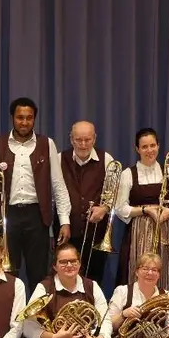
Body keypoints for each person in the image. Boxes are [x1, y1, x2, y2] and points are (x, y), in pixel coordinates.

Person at [0, 97, 72, 291]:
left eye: (29, 118)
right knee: (6, 273)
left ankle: (38, 320)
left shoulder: (47, 144)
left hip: (37, 216)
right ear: (12, 118)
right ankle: (9, 317)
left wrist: (64, 220)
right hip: (6, 217)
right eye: (20, 117)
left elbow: (58, 184)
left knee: (38, 273)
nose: (24, 122)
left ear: (34, 119)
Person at [113, 128, 169, 289]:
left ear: (158, 146)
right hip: (139, 232)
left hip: (166, 229)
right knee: (140, 268)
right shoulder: (128, 174)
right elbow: (120, 208)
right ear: (137, 149)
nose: (149, 150)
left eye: (152, 145)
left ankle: (165, 309)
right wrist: (146, 210)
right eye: (144, 147)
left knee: (167, 272)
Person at [60, 121, 113, 287]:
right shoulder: (58, 159)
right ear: (71, 139)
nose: (83, 144)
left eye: (87, 140)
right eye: (78, 140)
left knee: (94, 280)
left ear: (94, 139)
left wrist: (104, 208)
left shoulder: (107, 160)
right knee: (64, 279)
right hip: (67, 231)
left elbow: (115, 193)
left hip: (96, 233)